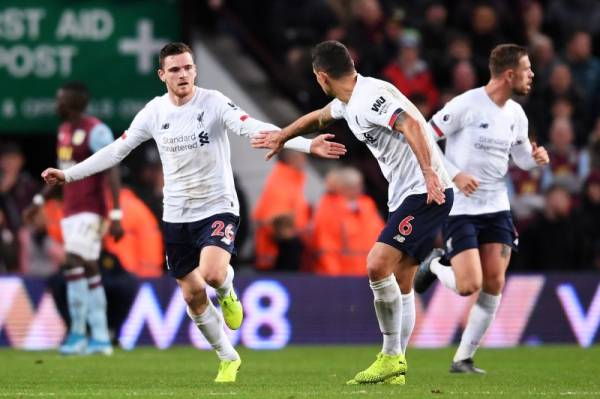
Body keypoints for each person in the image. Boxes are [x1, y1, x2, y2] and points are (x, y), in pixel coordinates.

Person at [40, 42, 346, 383]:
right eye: (174, 69)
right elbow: (115, 151)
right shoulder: (153, 113)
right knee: (191, 293)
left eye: (187, 67)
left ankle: (227, 291)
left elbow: (250, 126)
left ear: (195, 69)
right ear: (162, 75)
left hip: (217, 205)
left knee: (213, 274)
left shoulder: (213, 102)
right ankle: (227, 357)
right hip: (176, 214)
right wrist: (68, 175)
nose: (182, 74)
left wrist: (305, 143)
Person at [251, 40, 453, 385]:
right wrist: (283, 135)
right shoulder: (350, 99)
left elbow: (411, 124)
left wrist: (429, 172)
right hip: (408, 194)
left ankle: (390, 356)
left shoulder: (367, 100)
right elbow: (318, 118)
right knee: (402, 282)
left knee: (376, 264)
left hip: (424, 191)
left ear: (321, 77)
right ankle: (397, 368)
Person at [414, 44, 550, 374]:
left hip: (497, 206)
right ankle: (434, 265)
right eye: (527, 69)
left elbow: (519, 159)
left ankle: (463, 358)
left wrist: (534, 160)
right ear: (509, 74)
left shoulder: (516, 114)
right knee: (467, 285)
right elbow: (424, 136)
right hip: (461, 207)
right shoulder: (466, 105)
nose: (532, 74)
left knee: (494, 282)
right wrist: (454, 174)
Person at [24, 82, 124, 356]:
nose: (57, 105)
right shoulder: (65, 131)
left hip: (91, 209)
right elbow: (61, 172)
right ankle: (96, 336)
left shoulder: (97, 130)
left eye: (61, 100)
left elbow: (112, 169)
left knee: (73, 262)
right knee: (84, 266)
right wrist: (38, 201)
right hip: (70, 209)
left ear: (75, 102)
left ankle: (85, 334)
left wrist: (116, 214)